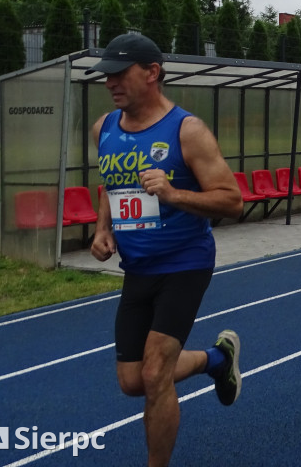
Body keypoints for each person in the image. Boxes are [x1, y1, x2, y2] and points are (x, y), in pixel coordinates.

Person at [87, 33, 244, 467]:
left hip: (185, 261)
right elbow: (110, 185)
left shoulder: (187, 131)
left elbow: (232, 201)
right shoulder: (104, 128)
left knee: (156, 374)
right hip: (138, 267)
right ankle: (217, 359)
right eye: (106, 76)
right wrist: (104, 231)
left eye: (119, 74)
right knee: (131, 380)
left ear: (152, 73)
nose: (110, 83)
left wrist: (174, 195)